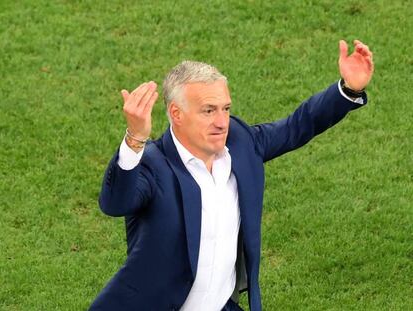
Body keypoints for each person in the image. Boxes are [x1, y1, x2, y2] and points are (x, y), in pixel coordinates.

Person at [89, 40, 374, 311]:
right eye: (208, 111)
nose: (221, 122)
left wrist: (347, 90)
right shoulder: (153, 164)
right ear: (176, 113)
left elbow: (297, 126)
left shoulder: (240, 142)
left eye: (225, 108)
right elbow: (115, 203)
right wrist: (135, 138)